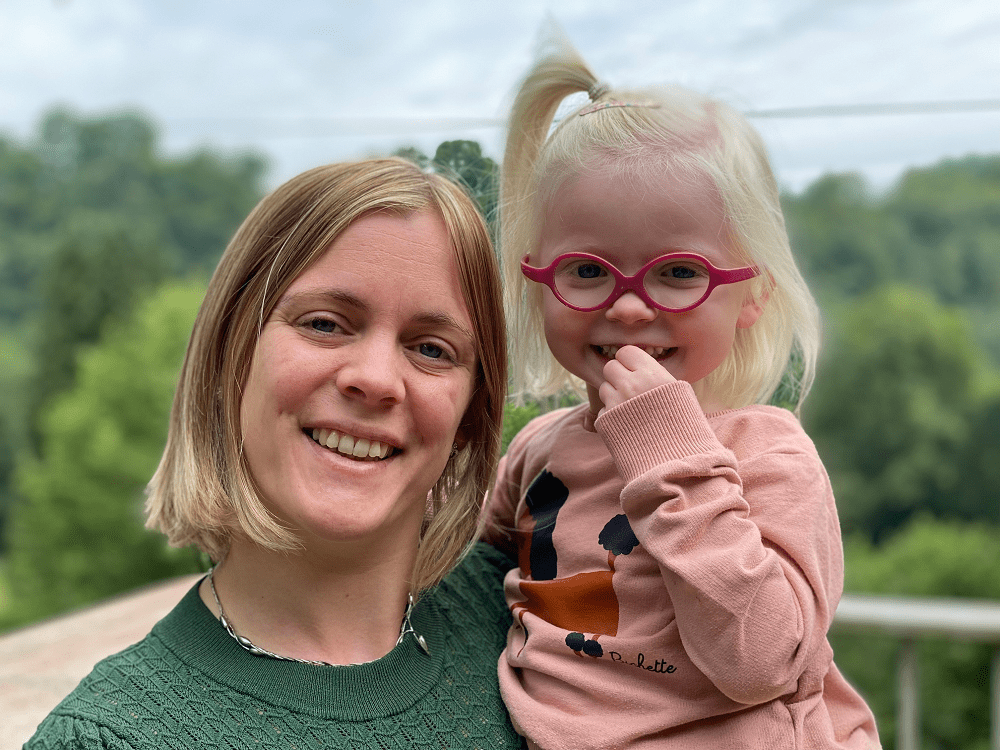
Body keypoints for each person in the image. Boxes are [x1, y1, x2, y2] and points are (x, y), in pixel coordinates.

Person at [26, 157, 524, 749]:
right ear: (231, 354)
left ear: (471, 412)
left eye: (432, 349)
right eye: (325, 324)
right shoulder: (105, 738)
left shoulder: (534, 613)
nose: (374, 378)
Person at [483, 35, 881, 750]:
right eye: (586, 270)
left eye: (677, 273)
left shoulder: (768, 456)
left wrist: (668, 454)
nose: (630, 307)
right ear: (537, 280)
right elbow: (460, 574)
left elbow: (763, 663)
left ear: (752, 293)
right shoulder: (537, 450)